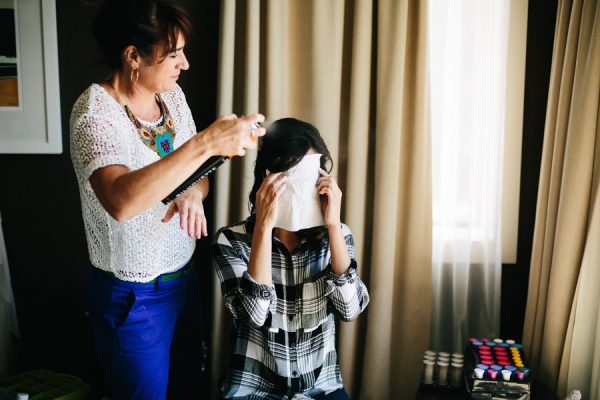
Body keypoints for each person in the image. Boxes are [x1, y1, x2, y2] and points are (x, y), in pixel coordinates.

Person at [69, 1, 265, 399]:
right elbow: (121, 201)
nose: (185, 64)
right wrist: (206, 142)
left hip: (183, 280)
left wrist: (192, 191)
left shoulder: (171, 99)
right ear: (133, 56)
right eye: (173, 54)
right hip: (133, 297)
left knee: (189, 389)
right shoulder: (95, 113)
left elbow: (198, 177)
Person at [212, 118, 370, 399]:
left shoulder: (337, 237)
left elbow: (350, 310)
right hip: (254, 388)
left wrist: (333, 225)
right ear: (267, 177)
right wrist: (263, 227)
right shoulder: (231, 240)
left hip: (321, 387)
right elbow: (255, 315)